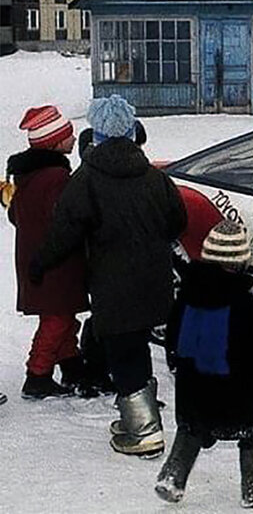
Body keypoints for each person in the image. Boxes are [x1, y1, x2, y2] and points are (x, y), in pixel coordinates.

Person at [32, 95, 186, 457]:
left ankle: (145, 432)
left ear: (96, 134)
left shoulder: (87, 180)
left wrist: (41, 263)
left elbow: (64, 231)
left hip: (113, 283)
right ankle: (137, 416)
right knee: (137, 347)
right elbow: (177, 220)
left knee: (123, 353)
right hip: (154, 282)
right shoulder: (153, 177)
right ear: (132, 131)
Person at [155, 220, 253, 507]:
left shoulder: (187, 294)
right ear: (240, 263)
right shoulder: (244, 304)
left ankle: (173, 476)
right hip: (237, 390)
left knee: (191, 428)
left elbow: (173, 335)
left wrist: (176, 362)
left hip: (193, 385)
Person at [5, 105, 89, 399]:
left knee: (62, 314)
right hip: (55, 262)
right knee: (58, 318)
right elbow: (65, 222)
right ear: (54, 142)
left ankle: (71, 364)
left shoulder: (28, 176)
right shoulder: (56, 178)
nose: (74, 138)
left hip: (36, 258)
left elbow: (14, 215)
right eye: (68, 135)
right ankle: (37, 374)